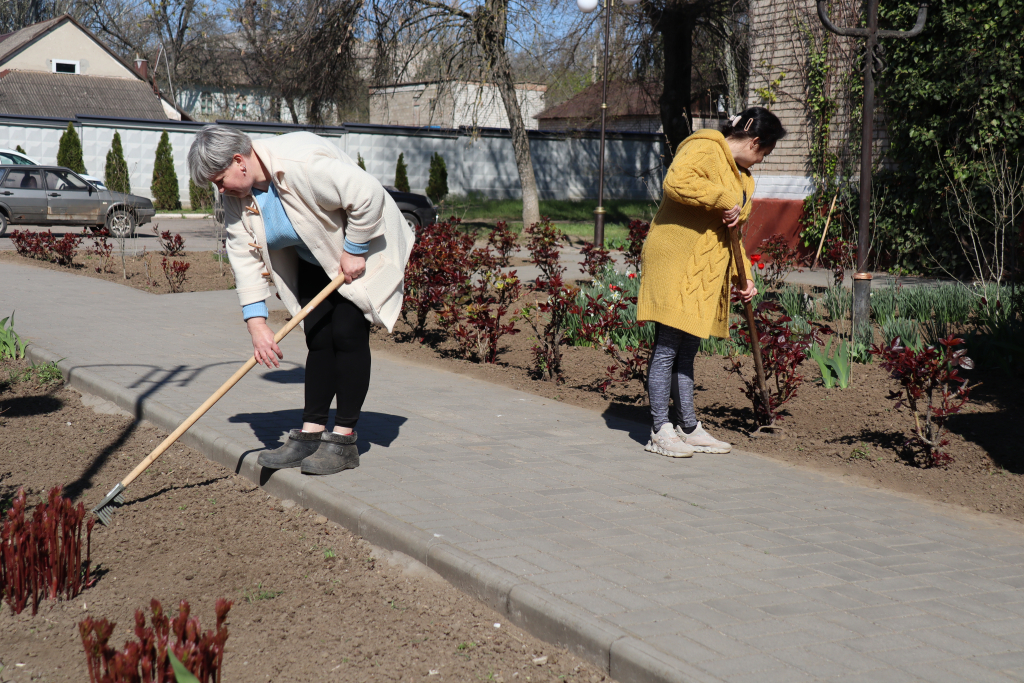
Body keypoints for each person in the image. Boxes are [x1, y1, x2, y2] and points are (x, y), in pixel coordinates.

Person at [187, 126, 413, 475]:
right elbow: (242, 256)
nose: (220, 190)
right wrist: (256, 323)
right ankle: (310, 435)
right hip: (313, 256)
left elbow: (368, 194)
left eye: (219, 181)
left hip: (363, 246)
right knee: (319, 338)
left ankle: (343, 441)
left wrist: (354, 248)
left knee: (347, 334)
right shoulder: (235, 197)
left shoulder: (300, 162)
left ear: (239, 161)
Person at [637, 107, 787, 458]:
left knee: (688, 349)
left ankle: (688, 428)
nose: (762, 160)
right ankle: (659, 430)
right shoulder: (704, 146)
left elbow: (731, 234)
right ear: (754, 142)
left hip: (704, 268)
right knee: (668, 346)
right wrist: (722, 198)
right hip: (675, 259)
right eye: (765, 153)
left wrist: (744, 276)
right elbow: (676, 182)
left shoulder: (744, 179)